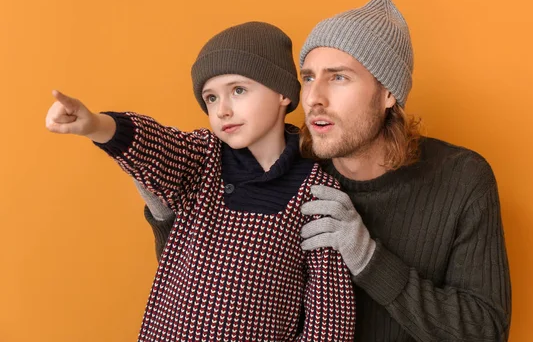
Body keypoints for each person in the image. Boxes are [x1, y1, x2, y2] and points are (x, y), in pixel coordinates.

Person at [144, 0, 512, 341]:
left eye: (338, 77)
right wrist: (166, 218)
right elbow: (213, 289)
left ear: (388, 94)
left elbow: (485, 330)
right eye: (307, 77)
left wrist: (368, 258)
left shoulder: (461, 178)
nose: (314, 98)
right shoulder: (288, 169)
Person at [45, 22, 355, 342]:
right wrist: (97, 126)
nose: (222, 110)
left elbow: (330, 320)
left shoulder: (318, 194)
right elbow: (156, 146)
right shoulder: (203, 158)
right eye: (210, 98)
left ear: (281, 93)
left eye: (238, 90)